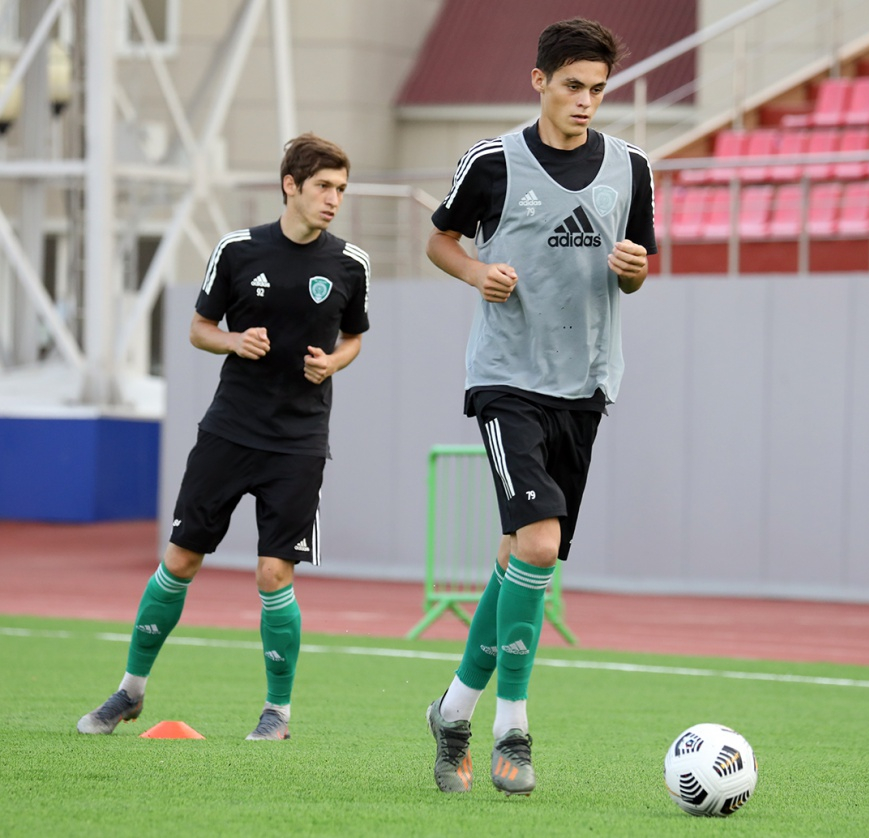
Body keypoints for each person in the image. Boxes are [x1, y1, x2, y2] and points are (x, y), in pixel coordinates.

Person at [424, 18, 656, 795]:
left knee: (518, 558)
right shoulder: (493, 162)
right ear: (540, 82)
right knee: (539, 545)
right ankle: (512, 732)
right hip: (507, 379)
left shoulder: (632, 168)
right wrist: (476, 272)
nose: (586, 101)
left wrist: (633, 270)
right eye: (573, 86)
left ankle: (452, 711)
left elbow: (637, 273)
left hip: (585, 385)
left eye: (598, 89)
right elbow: (440, 241)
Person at [77, 133, 371, 741]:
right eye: (323, 186)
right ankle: (130, 692)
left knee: (273, 573)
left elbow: (354, 339)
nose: (333, 199)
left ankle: (277, 713)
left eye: (341, 189)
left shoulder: (351, 263)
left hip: (299, 442)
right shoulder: (237, 250)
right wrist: (235, 341)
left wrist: (334, 363)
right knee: (181, 559)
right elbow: (198, 328)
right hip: (229, 431)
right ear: (290, 185)